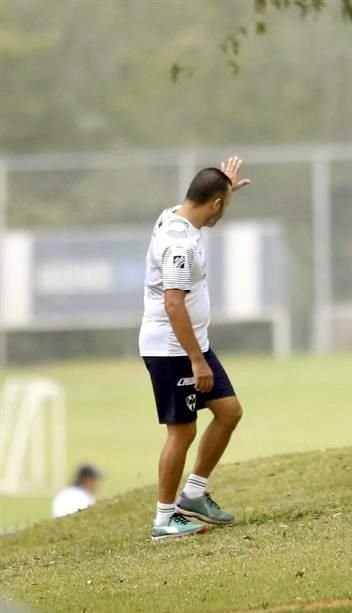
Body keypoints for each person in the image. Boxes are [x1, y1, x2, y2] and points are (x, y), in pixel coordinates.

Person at [139, 158, 249, 541]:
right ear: (215, 204)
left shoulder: (176, 214)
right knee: (182, 433)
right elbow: (174, 304)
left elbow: (203, 199)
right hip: (173, 349)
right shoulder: (179, 242)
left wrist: (225, 186)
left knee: (229, 412)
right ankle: (165, 519)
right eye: (226, 203)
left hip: (194, 344)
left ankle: (195, 494)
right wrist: (197, 360)